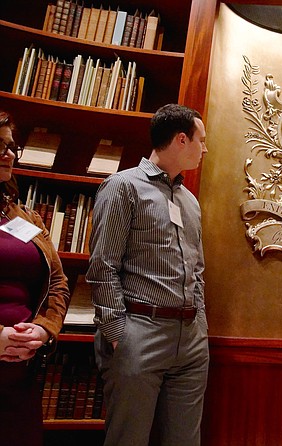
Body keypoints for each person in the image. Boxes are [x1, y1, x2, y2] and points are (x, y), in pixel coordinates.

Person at [87, 103, 209, 446]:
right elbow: (102, 265)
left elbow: (197, 270)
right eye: (201, 140)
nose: (205, 149)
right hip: (139, 333)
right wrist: (117, 334)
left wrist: (199, 323)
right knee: (129, 439)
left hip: (190, 340)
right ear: (181, 140)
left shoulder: (189, 200)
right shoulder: (123, 186)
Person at [0, 110, 70, 445]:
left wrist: (44, 328)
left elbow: (58, 282)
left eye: (12, 147)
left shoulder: (25, 216)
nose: (9, 154)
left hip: (20, 374)